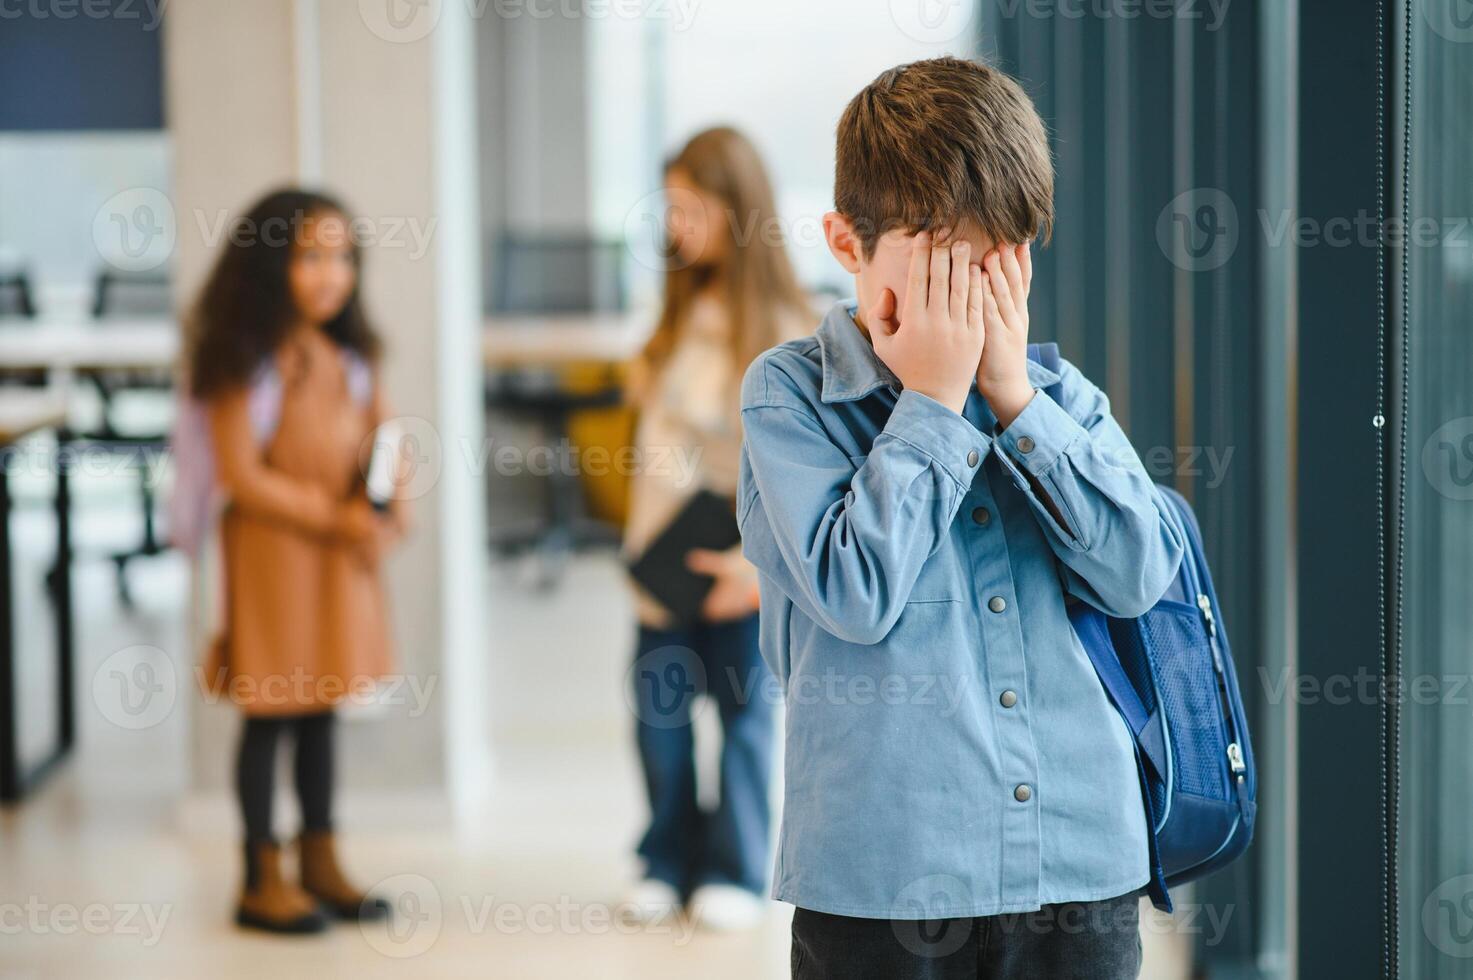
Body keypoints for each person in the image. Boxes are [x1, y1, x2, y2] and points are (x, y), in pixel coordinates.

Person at [736, 58, 1185, 978]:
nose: (971, 296)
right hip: (881, 880)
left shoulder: (1056, 396)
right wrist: (934, 407)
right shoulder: (790, 396)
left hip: (1077, 865)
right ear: (846, 242)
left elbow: (1139, 573)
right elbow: (852, 592)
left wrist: (1014, 400)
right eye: (943, 261)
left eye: (997, 260)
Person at [185, 189, 404, 934]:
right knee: (271, 712)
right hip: (272, 558)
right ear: (268, 263)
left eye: (343, 256)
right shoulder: (244, 361)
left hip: (339, 560)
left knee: (321, 710)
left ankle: (321, 861)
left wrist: (388, 511)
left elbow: (386, 442)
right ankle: (258, 876)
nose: (330, 274)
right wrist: (335, 517)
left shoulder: (353, 357)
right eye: (310, 255)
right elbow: (243, 475)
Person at [621, 127, 811, 931]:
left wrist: (754, 567)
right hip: (660, 562)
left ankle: (731, 866)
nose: (675, 225)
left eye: (689, 207)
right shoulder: (673, 314)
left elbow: (796, 471)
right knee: (658, 719)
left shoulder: (788, 327)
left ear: (737, 211)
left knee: (743, 719)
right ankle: (665, 857)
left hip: (739, 566)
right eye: (668, 208)